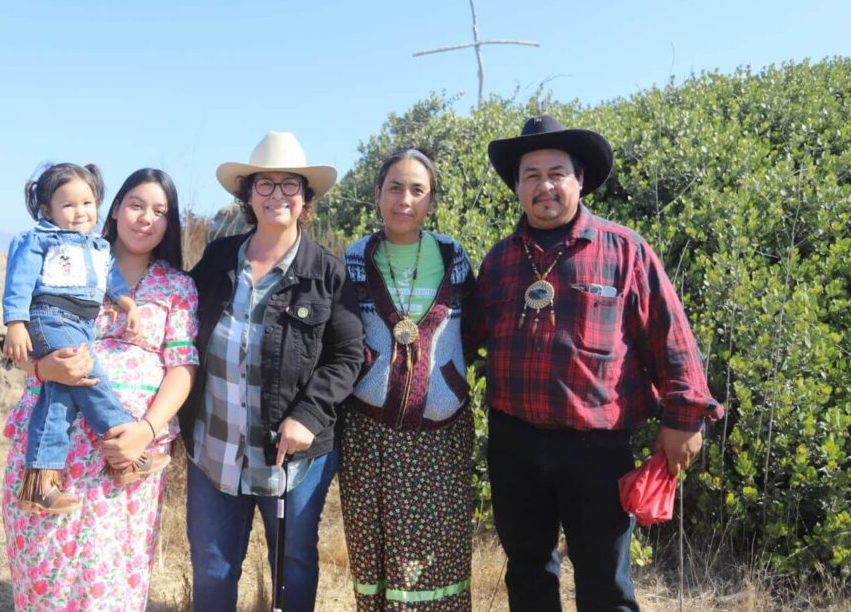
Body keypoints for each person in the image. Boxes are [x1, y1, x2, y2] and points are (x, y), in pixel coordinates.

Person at [468, 115, 725, 611]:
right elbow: (466, 335)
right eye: (531, 175)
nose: (544, 186)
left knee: (605, 583)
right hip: (513, 444)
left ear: (579, 180)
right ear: (517, 187)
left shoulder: (624, 250)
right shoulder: (498, 261)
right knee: (527, 572)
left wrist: (685, 417)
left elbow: (670, 336)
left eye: (556, 172)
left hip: (597, 448)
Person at [182, 131, 364, 611]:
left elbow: (348, 355)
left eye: (290, 185)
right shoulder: (219, 259)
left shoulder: (328, 272)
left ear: (305, 198)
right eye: (265, 184)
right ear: (247, 194)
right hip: (214, 447)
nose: (277, 195)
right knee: (214, 565)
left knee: (294, 563)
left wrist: (308, 414)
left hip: (293, 458)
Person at [2, 168, 199, 611]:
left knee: (110, 581)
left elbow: (182, 367)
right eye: (135, 204)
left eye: (160, 211)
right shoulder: (64, 258)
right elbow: (26, 329)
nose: (145, 218)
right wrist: (45, 367)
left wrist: (144, 432)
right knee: (46, 570)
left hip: (126, 455)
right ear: (114, 209)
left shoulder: (177, 287)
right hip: (58, 448)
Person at [340, 148, 478, 611]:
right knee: (373, 551)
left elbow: (474, 329)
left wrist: (454, 383)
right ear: (377, 194)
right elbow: (339, 335)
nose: (405, 199)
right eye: (395, 187)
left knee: (437, 554)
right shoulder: (355, 258)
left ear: (430, 198)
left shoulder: (453, 257)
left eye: (417, 190)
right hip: (369, 435)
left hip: (441, 437)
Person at [2, 162, 168, 514]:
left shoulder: (98, 248)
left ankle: (40, 483)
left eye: (87, 203)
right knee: (87, 372)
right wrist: (15, 323)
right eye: (68, 205)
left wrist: (127, 306)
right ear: (47, 210)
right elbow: (19, 282)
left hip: (79, 323)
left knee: (60, 393)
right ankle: (125, 446)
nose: (80, 212)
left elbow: (112, 283)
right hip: (50, 316)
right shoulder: (40, 240)